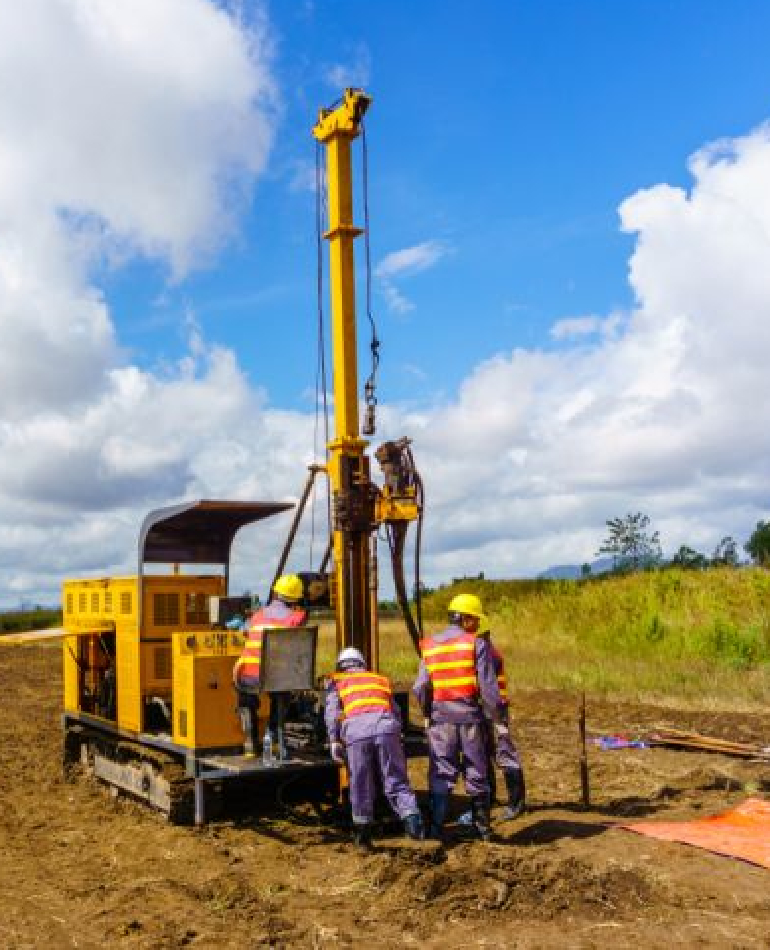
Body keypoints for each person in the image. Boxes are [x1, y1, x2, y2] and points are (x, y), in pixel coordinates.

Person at [412, 592, 505, 841]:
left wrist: (428, 712)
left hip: (441, 719)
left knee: (441, 772)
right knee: (477, 770)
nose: (476, 625)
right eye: (474, 620)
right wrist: (497, 718)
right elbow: (488, 688)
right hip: (471, 719)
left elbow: (420, 687)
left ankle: (437, 828)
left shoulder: (429, 646)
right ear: (464, 619)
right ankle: (482, 829)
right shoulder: (477, 644)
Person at [325, 646, 424, 848]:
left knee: (360, 783)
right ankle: (414, 828)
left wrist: (334, 739)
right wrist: (397, 735)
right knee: (396, 778)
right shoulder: (379, 679)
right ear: (362, 664)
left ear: (341, 666)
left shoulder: (337, 681)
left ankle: (363, 837)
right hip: (387, 728)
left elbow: (332, 712)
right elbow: (395, 710)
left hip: (357, 733)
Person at [233, 574, 307, 758]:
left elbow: (244, 631)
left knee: (245, 698)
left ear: (275, 593)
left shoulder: (257, 616)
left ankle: (250, 741)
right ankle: (273, 736)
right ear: (297, 597)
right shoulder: (296, 617)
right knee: (282, 693)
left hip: (247, 676)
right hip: (275, 677)